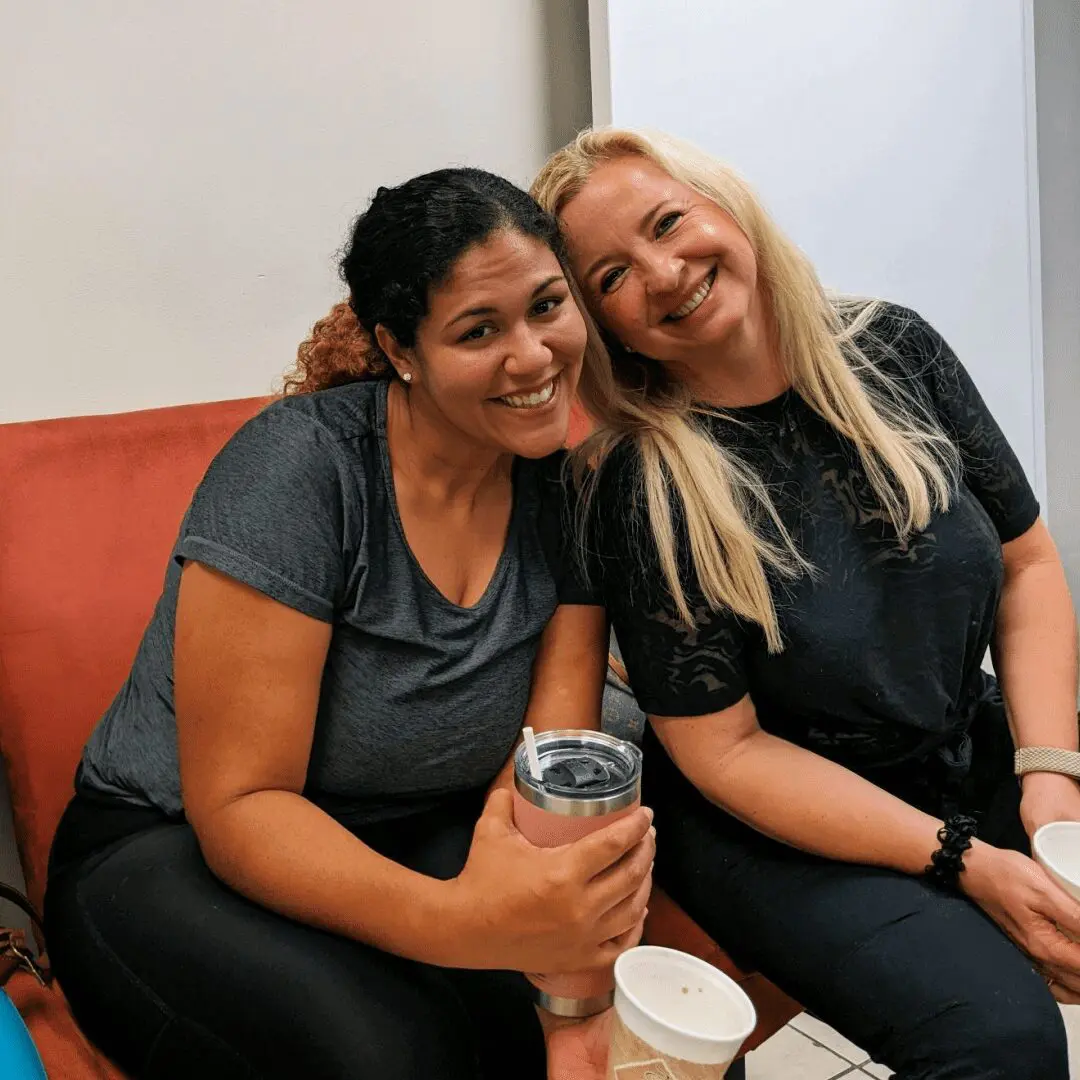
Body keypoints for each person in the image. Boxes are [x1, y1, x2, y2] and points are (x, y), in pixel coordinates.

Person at [42, 168, 655, 1080]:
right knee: (393, 1059)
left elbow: (550, 749)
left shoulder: (564, 490)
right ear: (399, 349)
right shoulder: (304, 474)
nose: (532, 357)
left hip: (412, 825)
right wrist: (466, 924)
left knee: (622, 1041)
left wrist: (561, 980)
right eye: (478, 331)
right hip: (169, 848)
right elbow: (243, 807)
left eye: (547, 306)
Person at [531, 128, 1080, 1079]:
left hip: (952, 741)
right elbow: (726, 752)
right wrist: (969, 861)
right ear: (603, 327)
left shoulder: (896, 348)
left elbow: (1027, 566)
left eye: (670, 222)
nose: (664, 273)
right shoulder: (636, 484)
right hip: (773, 823)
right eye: (613, 276)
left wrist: (1047, 779)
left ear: (727, 207)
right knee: (1000, 1041)